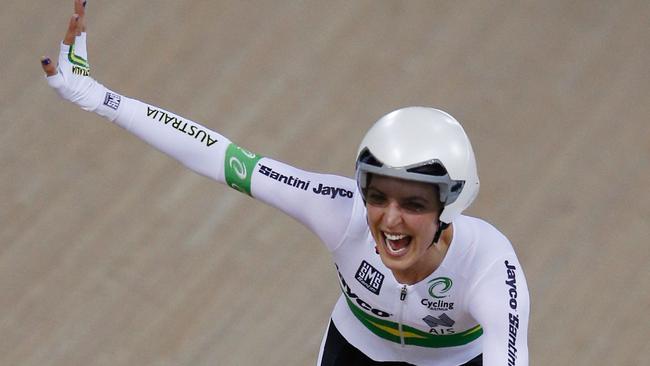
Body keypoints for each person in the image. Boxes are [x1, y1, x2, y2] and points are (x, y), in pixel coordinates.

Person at [41, 1, 530, 365]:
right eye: (377, 197)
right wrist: (95, 96)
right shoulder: (340, 214)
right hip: (356, 350)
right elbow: (221, 157)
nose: (391, 220)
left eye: (414, 204)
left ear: (450, 206)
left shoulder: (490, 267)